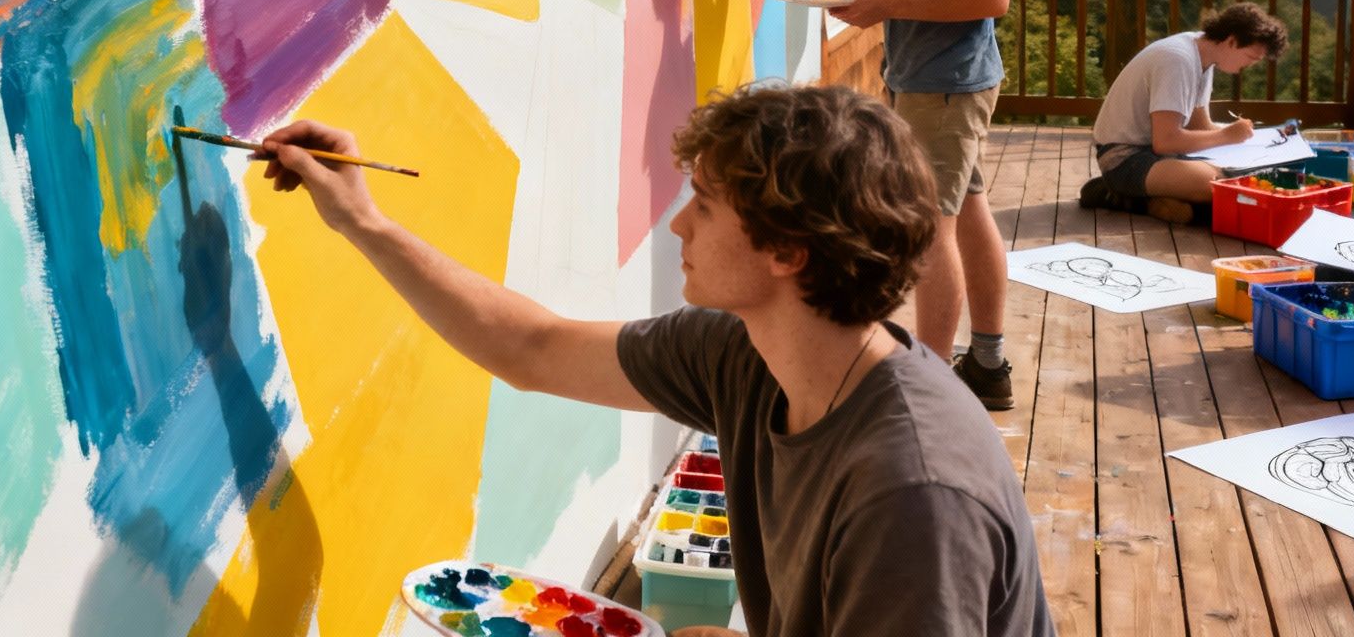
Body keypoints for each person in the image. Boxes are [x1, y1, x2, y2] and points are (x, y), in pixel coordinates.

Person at [252, 84, 1053, 636]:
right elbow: (531, 349)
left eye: (704, 206)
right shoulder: (744, 354)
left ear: (785, 250)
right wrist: (363, 221)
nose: (679, 229)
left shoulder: (911, 493)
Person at [712, 0, 1017, 410]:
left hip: (947, 80)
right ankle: (988, 365)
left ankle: (931, 389)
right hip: (922, 73)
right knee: (965, 210)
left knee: (929, 227)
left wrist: (886, 6)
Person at [1080, 3, 1289, 225]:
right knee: (1219, 184)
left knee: (1247, 177)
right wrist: (1227, 135)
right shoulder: (1177, 60)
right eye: (1251, 57)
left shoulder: (1203, 55)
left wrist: (1256, 141)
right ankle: (1118, 194)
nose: (1250, 65)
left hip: (1156, 154)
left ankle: (1170, 203)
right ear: (1232, 41)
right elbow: (1166, 141)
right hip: (1125, 158)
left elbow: (1199, 126)